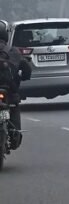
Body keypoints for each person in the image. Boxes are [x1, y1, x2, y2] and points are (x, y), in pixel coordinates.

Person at [0, 20, 30, 149]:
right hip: (9, 89)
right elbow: (27, 68)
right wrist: (24, 77)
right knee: (14, 106)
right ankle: (15, 133)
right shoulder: (13, 51)